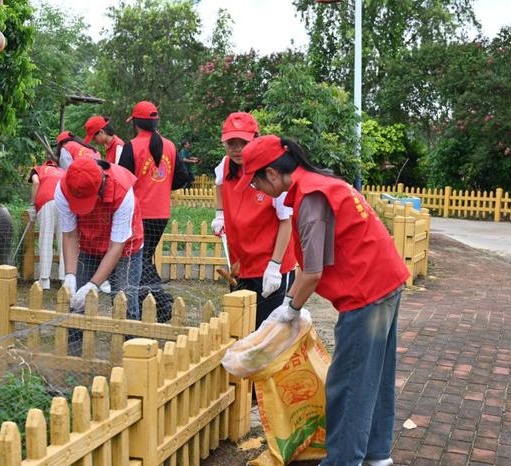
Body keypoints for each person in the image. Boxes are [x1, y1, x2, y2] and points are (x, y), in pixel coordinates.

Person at [236, 135, 409, 466]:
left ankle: (344, 460)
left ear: (272, 173)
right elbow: (313, 266)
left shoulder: (312, 197)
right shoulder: (321, 183)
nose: (257, 189)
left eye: (256, 180)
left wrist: (290, 309)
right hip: (384, 280)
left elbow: (313, 272)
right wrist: (290, 300)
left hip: (365, 291)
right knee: (377, 374)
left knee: (349, 382)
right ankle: (377, 454)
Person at [211, 112, 296, 329]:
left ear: (255, 139)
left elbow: (286, 220)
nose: (237, 149)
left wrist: (275, 266)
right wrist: (220, 213)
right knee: (241, 324)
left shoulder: (272, 172)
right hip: (240, 262)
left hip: (270, 263)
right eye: (231, 143)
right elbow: (219, 185)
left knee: (269, 328)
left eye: (243, 142)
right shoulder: (225, 165)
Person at [118, 100, 192, 322]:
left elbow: (121, 180)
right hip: (161, 213)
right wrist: (160, 186)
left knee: (141, 260)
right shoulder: (169, 146)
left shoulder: (132, 146)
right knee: (145, 258)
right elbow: (182, 178)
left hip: (139, 214)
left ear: (136, 123)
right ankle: (149, 303)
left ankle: (162, 301)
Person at [55, 157, 143, 320]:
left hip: (125, 248)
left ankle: (130, 343)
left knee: (124, 300)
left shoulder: (122, 190)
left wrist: (94, 285)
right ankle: (74, 343)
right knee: (75, 301)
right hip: (89, 244)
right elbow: (70, 235)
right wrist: (69, 276)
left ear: (100, 185)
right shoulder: (62, 189)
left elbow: (116, 246)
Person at [28, 153, 64, 290]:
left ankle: (44, 280)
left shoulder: (38, 169)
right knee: (64, 242)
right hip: (64, 204)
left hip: (46, 203)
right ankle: (65, 279)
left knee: (46, 239)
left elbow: (36, 182)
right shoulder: (63, 171)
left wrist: (32, 205)